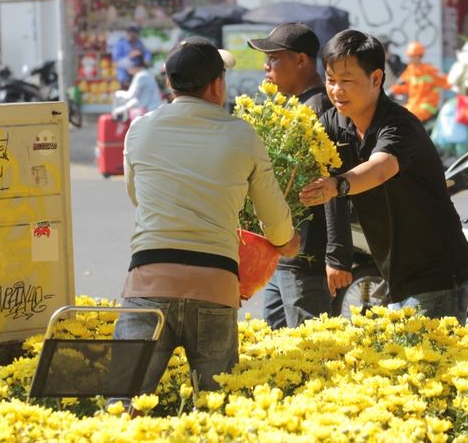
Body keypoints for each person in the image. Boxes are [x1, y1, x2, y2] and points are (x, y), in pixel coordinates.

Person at [113, 36, 301, 396]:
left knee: (124, 401)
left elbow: (138, 196)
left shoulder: (140, 130)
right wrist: (287, 243)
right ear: (217, 85)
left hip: (149, 281)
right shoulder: (241, 135)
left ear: (169, 83)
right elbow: (275, 222)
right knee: (217, 407)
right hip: (214, 285)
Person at [299, 30, 468, 323]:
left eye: (347, 80)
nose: (336, 90)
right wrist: (336, 256)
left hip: (438, 273)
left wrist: (338, 185)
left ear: (376, 79)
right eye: (330, 80)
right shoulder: (333, 122)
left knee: (428, 367)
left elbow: (380, 169)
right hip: (394, 273)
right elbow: (329, 182)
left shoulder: (399, 125)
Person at [247, 22, 352, 328]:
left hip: (309, 258)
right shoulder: (295, 106)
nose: (266, 66)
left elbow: (334, 187)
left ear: (302, 61)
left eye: (274, 58)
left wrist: (335, 256)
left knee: (308, 350)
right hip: (284, 252)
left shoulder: (320, 110)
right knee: (277, 348)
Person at [391, 41, 450, 125]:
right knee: (395, 116)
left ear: (419, 56)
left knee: (408, 119)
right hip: (414, 104)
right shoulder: (410, 70)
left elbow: (445, 82)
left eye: (413, 56)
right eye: (410, 56)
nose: (410, 59)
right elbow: (406, 86)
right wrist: (394, 90)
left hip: (427, 105)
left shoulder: (429, 70)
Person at [111, 54, 164, 121]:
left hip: (151, 113)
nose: (127, 68)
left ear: (135, 66)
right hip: (151, 112)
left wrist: (117, 93)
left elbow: (130, 95)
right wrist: (124, 108)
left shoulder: (141, 76)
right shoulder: (145, 73)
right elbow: (137, 99)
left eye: (128, 66)